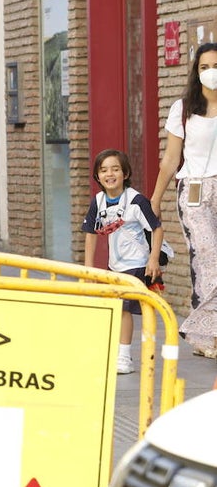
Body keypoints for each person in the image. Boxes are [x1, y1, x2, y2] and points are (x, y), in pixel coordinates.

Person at [151, 41, 217, 358]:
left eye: (215, 66)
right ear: (196, 71)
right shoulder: (184, 108)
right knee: (208, 257)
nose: (211, 72)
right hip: (194, 190)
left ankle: (201, 328)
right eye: (204, 67)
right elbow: (170, 159)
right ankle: (205, 334)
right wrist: (155, 199)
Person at [82, 149, 164, 374]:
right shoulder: (98, 202)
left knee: (123, 309)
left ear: (125, 173)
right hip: (115, 265)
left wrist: (153, 259)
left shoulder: (136, 201)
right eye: (104, 170)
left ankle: (125, 357)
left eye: (115, 169)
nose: (110, 174)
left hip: (137, 264)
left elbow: (157, 228)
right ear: (97, 176)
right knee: (117, 308)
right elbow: (90, 233)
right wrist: (89, 270)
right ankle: (120, 352)